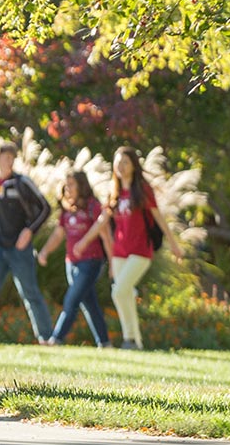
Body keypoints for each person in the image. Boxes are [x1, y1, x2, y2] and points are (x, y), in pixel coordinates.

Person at [72, 146, 184, 350]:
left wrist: (174, 245)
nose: (121, 166)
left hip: (141, 251)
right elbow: (101, 221)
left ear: (133, 165)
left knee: (119, 291)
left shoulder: (142, 189)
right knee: (126, 294)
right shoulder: (114, 192)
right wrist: (84, 241)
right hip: (120, 251)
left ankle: (130, 338)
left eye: (125, 162)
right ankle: (133, 341)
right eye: (118, 162)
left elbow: (159, 218)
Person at [0, 139, 53, 344]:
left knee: (30, 292)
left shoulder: (22, 183)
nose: (10, 162)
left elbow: (45, 208)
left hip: (20, 248)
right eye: (6, 158)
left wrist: (29, 231)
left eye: (12, 158)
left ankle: (47, 338)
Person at [37, 170, 113, 347]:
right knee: (89, 303)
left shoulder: (93, 206)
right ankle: (105, 342)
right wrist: (45, 252)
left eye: (71, 184)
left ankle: (56, 338)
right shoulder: (67, 210)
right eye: (66, 184)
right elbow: (58, 235)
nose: (67, 188)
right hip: (71, 262)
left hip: (91, 261)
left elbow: (106, 235)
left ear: (81, 185)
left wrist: (112, 264)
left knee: (71, 299)